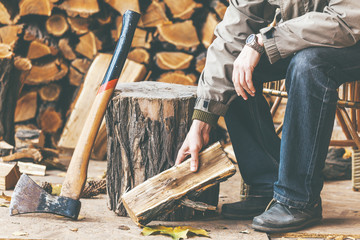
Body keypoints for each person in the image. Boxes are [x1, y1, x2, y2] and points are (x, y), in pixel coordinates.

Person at [175, 0, 360, 233]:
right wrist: (201, 119)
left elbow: (346, 20)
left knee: (308, 66)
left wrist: (263, 41)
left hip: (353, 34)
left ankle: (298, 201)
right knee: (236, 66)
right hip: (307, 36)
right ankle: (266, 185)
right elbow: (233, 33)